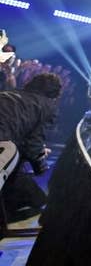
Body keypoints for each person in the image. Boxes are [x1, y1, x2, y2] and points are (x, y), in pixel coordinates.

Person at [0, 73, 62, 221]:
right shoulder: (47, 106)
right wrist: (40, 164)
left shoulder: (8, 93)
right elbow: (33, 146)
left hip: (6, 142)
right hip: (3, 144)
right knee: (36, 200)